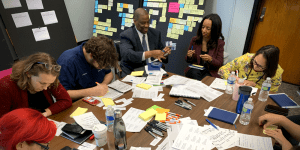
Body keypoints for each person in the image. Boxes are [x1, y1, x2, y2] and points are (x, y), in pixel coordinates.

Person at [0, 52, 72, 118]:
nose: (46, 88)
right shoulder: (5, 86)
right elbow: (3, 120)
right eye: (42, 83)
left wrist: (44, 113)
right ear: (28, 73)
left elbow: (66, 100)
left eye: (50, 83)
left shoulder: (48, 77)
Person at [57, 35, 118, 101]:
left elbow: (109, 74)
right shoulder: (67, 62)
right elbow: (62, 94)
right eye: (101, 65)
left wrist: (102, 85)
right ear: (91, 55)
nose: (103, 67)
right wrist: (92, 91)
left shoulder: (102, 56)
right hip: (77, 103)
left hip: (98, 99)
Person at [119, 8, 171, 77]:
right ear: (135, 21)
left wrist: (164, 54)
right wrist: (150, 53)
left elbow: (161, 54)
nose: (146, 25)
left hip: (153, 71)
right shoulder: (126, 35)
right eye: (143, 23)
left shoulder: (155, 34)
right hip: (134, 72)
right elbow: (129, 55)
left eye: (148, 22)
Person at [218, 45, 284, 92]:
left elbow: (272, 92)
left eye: (260, 66)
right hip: (236, 91)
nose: (255, 66)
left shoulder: (276, 72)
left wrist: (254, 85)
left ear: (269, 67)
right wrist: (236, 78)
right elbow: (222, 70)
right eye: (255, 61)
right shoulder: (246, 59)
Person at [184, 14, 225, 81]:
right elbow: (187, 59)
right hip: (194, 70)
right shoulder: (194, 40)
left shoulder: (219, 43)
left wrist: (211, 59)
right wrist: (189, 56)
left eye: (208, 29)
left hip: (210, 72)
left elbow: (219, 63)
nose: (204, 30)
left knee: (207, 79)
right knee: (195, 73)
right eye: (203, 27)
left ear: (214, 30)